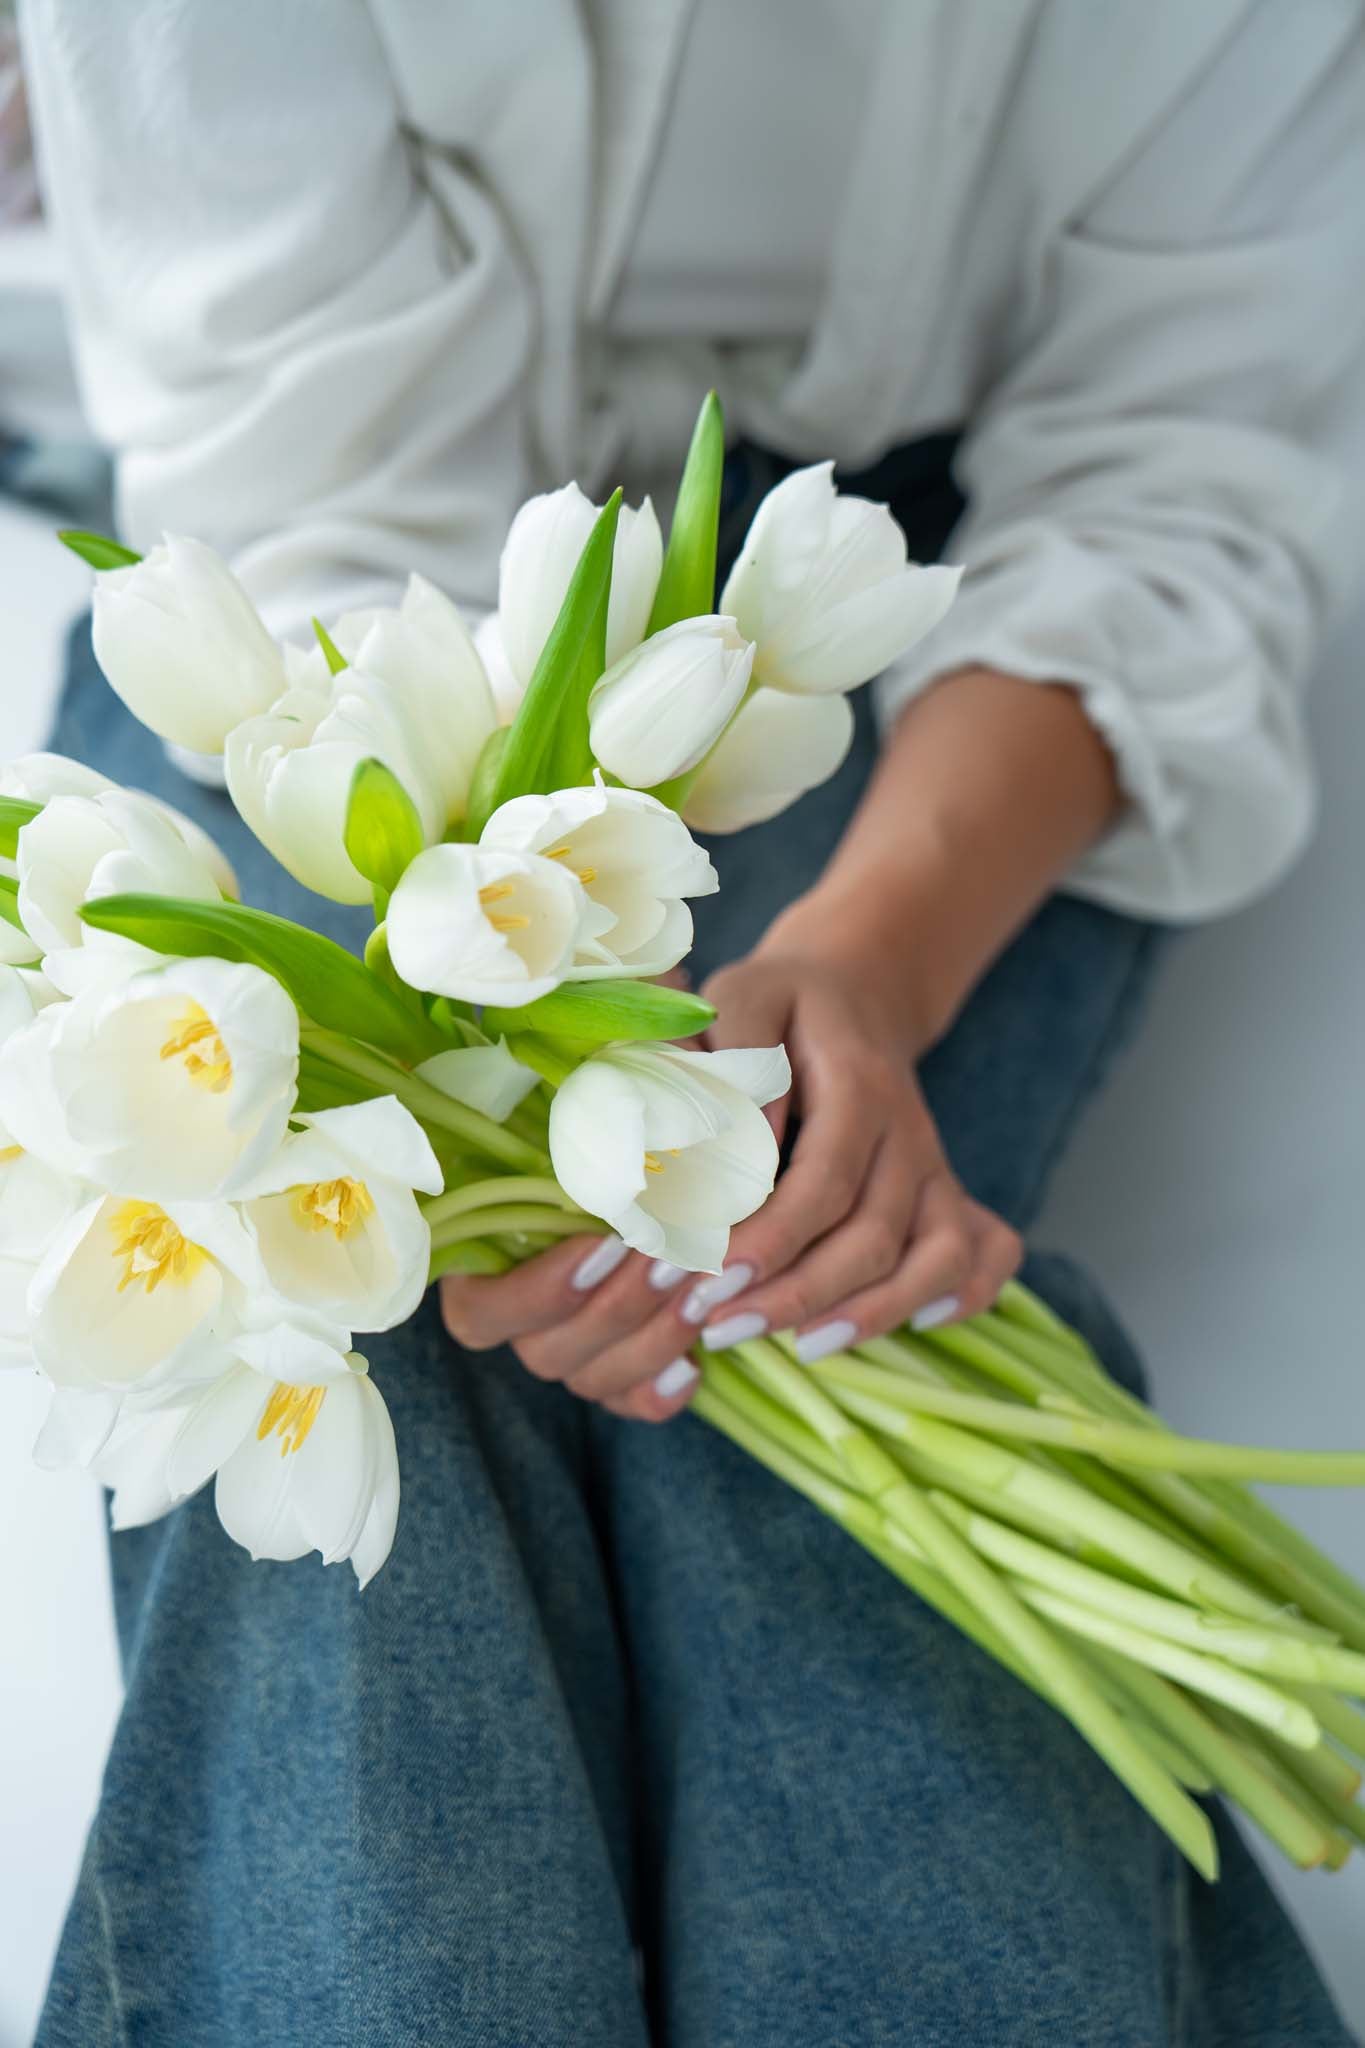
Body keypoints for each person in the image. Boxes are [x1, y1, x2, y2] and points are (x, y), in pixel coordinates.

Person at [17, 3, 1365, 2041]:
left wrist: (871, 962)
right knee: (343, 1334)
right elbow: (320, 477)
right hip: (320, 612)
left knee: (811, 1270)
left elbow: (1172, 482)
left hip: (922, 601)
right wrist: (514, 1041)